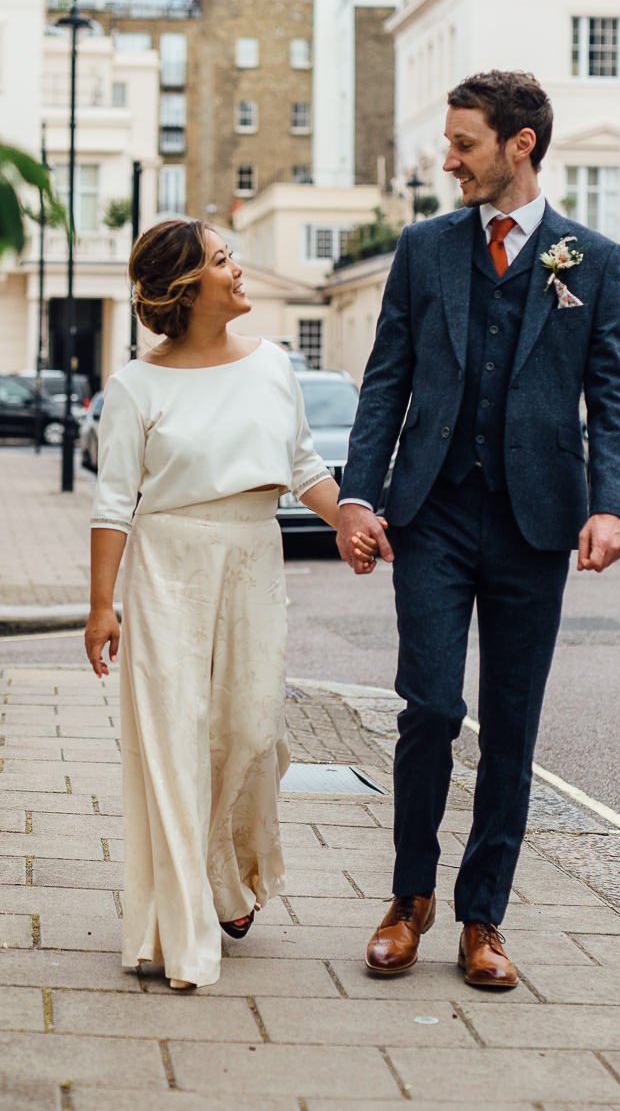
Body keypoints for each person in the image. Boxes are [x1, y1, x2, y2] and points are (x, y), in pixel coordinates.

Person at [335, 70, 620, 990]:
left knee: (512, 723)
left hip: (537, 521)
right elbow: (387, 378)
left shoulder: (591, 257)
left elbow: (614, 392)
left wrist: (612, 502)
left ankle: (482, 917)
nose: (448, 158)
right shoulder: (424, 248)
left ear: (521, 146)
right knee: (429, 707)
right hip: (431, 509)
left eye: (463, 142)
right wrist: (358, 494)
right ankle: (408, 897)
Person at [84, 218, 351, 992]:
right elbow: (113, 504)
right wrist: (102, 606)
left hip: (253, 558)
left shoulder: (273, 364)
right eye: (223, 259)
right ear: (185, 289)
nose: (239, 269)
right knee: (172, 739)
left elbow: (303, 464)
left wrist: (355, 522)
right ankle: (184, 920)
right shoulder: (137, 385)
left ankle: (227, 874)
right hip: (167, 564)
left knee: (251, 730)